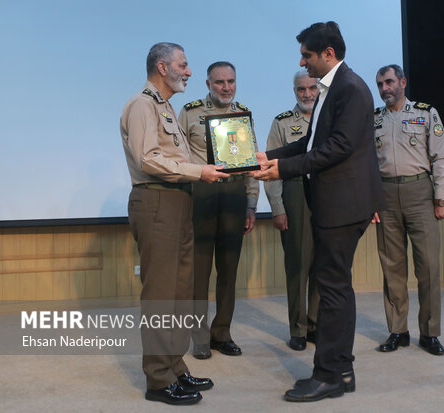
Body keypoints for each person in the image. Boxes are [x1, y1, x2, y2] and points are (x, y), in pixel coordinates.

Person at [252, 21, 384, 402]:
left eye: (306, 55)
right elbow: (310, 142)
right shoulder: (334, 86)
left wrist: (283, 170)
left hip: (343, 206)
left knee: (332, 290)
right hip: (336, 203)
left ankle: (328, 376)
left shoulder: (351, 88)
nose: (302, 61)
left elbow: (338, 148)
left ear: (328, 54)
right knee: (335, 286)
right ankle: (341, 370)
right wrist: (268, 157)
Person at [121, 42, 226, 405]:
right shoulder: (142, 105)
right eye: (183, 64)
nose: (189, 71)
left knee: (180, 295)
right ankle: (157, 380)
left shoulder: (165, 107)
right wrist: (200, 171)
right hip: (156, 201)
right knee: (161, 296)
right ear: (162, 68)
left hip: (179, 202)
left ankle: (174, 368)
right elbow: (149, 159)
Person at [178, 61, 259, 359]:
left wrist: (251, 204)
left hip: (235, 197)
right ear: (208, 85)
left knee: (228, 271)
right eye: (219, 82)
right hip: (201, 196)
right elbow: (177, 157)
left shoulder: (243, 114)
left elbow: (251, 164)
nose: (226, 87)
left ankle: (221, 333)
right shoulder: (189, 112)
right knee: (199, 272)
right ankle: (199, 337)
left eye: (231, 81)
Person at [371, 64, 444, 357]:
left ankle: (429, 333)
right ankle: (398, 331)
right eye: (380, 84)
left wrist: (440, 199)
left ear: (402, 82)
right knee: (392, 267)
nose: (385, 89)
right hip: (386, 195)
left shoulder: (426, 113)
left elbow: (440, 157)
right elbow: (367, 164)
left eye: (389, 82)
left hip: (420, 194)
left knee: (428, 267)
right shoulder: (373, 120)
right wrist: (371, 202)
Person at [264, 70, 319, 351]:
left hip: (327, 194)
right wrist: (277, 208)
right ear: (294, 91)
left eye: (311, 88)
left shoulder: (329, 117)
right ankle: (298, 329)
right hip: (295, 192)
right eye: (300, 89)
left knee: (323, 265)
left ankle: (315, 324)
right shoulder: (282, 122)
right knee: (298, 264)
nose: (307, 94)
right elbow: (270, 168)